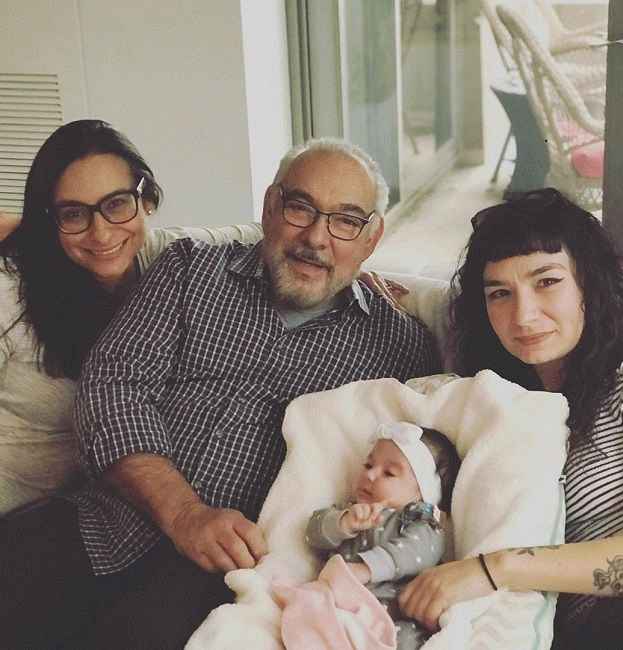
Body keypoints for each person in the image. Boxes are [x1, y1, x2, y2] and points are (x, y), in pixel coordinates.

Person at [1, 137, 439, 649]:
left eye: (345, 221)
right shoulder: (191, 269)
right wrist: (183, 513)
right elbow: (112, 385)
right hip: (102, 521)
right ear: (270, 207)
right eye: (300, 208)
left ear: (372, 237)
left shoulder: (400, 346)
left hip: (229, 577)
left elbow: (419, 469)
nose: (316, 238)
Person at [397, 188, 623, 650]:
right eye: (500, 293)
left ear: (590, 285)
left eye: (547, 281)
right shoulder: (496, 407)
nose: (523, 315)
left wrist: (496, 569)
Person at [0, 120, 262, 516]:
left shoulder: (170, 257)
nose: (102, 234)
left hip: (90, 511)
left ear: (147, 198)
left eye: (117, 204)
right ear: (50, 219)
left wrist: (352, 268)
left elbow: (262, 235)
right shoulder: (10, 291)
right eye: (74, 214)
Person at [293, 422, 458, 650]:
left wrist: (367, 568)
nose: (370, 474)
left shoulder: (419, 519)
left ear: (422, 492)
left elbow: (419, 551)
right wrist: (343, 523)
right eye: (368, 465)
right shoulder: (350, 510)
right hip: (336, 608)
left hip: (390, 614)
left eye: (389, 473)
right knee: (302, 609)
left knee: (409, 639)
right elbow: (312, 534)